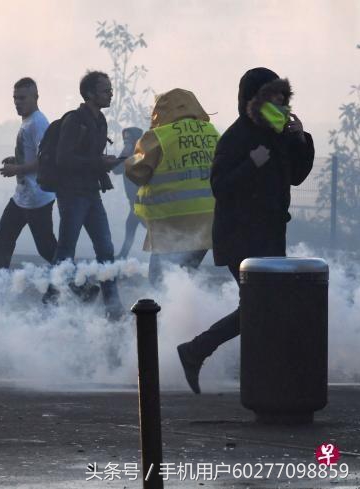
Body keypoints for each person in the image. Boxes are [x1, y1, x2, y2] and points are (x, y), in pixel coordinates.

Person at [176, 68, 314, 393]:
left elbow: (296, 176)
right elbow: (220, 187)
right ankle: (204, 353)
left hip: (270, 236)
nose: (279, 104)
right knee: (260, 306)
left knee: (263, 308)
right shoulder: (236, 137)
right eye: (271, 97)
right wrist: (251, 163)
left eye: (281, 97)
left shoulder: (278, 133)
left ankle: (208, 355)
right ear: (254, 99)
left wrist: (301, 140)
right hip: (240, 237)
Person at [42, 71, 124, 319]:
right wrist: (99, 162)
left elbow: (90, 159)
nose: (110, 94)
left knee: (106, 249)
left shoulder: (100, 121)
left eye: (110, 90)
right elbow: (63, 159)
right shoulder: (74, 121)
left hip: (91, 193)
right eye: (105, 90)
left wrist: (105, 164)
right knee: (66, 252)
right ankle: (50, 302)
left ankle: (113, 307)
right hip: (72, 194)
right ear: (89, 93)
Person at [124, 89, 219, 286]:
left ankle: (166, 307)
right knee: (184, 276)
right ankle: (189, 304)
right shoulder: (212, 132)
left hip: (172, 221)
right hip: (209, 221)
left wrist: (130, 155)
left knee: (160, 280)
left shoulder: (158, 136)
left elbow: (136, 172)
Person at [0, 77, 57, 274]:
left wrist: (16, 169)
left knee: (47, 248)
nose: (18, 102)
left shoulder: (38, 122)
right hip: (22, 197)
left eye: (22, 98)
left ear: (35, 98)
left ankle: (80, 283)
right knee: (2, 238)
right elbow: (33, 155)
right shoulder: (28, 122)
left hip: (37, 198)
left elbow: (45, 160)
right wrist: (17, 159)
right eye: (15, 98)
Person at [112, 127, 144, 260]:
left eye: (129, 138)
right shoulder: (129, 154)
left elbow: (118, 168)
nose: (126, 141)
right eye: (125, 138)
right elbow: (117, 170)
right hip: (134, 202)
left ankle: (165, 256)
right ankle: (123, 255)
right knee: (131, 225)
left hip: (143, 201)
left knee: (143, 226)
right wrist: (126, 150)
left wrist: (126, 150)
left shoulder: (140, 155)